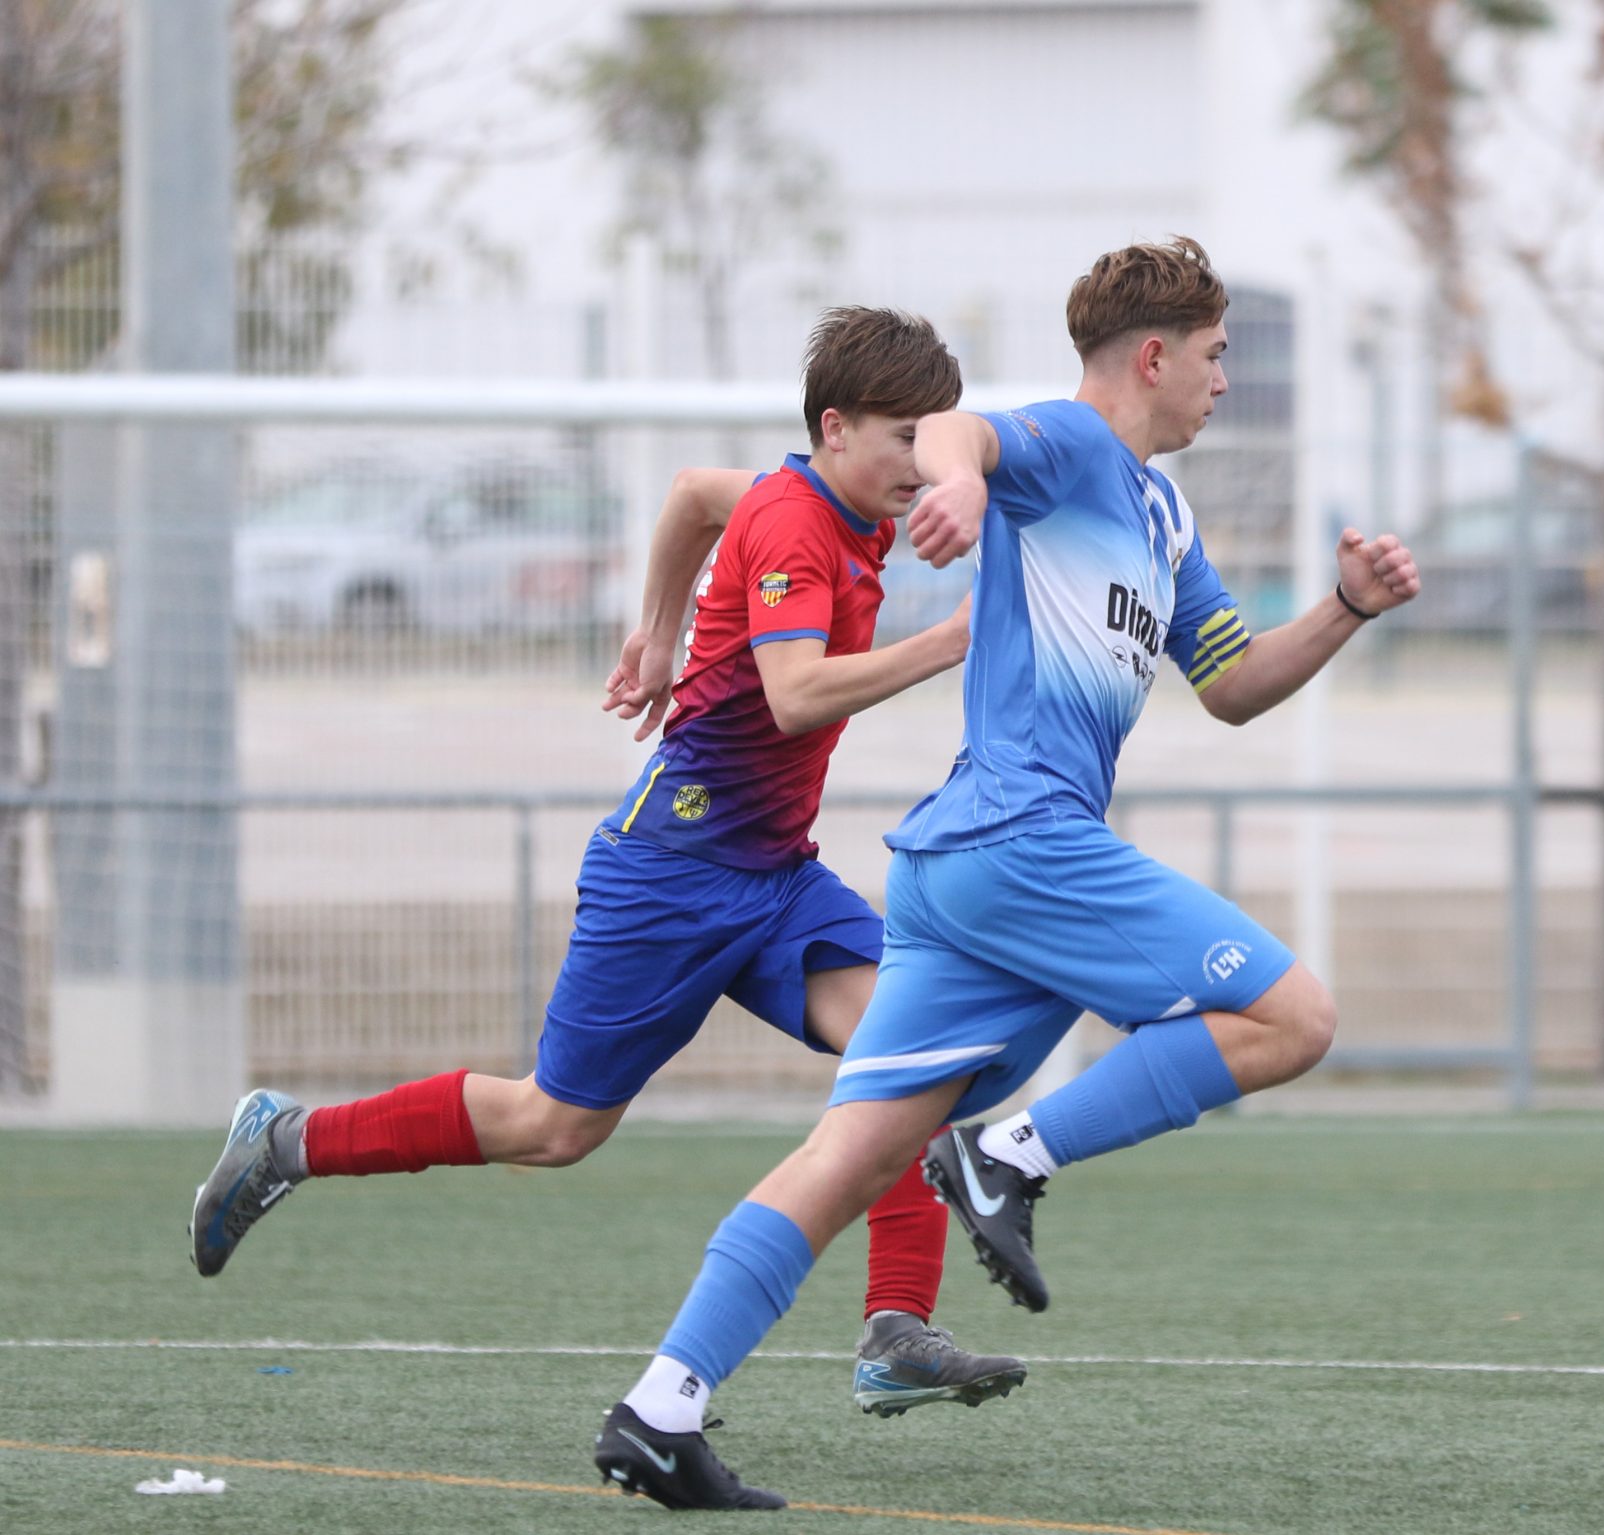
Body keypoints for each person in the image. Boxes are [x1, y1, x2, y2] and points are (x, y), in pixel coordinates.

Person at [589, 236, 1421, 1511]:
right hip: (1023, 842)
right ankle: (1011, 1155)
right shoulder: (1071, 443)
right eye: (1214, 357)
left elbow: (1231, 683)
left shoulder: (1162, 515)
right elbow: (960, 434)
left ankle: (660, 1408)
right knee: (1293, 1014)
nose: (1222, 382)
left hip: (966, 874)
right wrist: (967, 488)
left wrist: (1345, 607)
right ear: (1153, 356)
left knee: (849, 1160)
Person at [189, 306, 1027, 1419]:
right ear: (835, 427)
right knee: (553, 1126)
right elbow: (794, 695)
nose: (924, 464)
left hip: (774, 876)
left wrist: (659, 630)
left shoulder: (829, 500)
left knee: (913, 1055)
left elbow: (689, 493)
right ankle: (288, 1140)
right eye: (904, 438)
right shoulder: (795, 524)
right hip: (671, 870)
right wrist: (949, 640)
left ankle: (896, 1330)